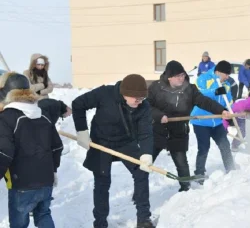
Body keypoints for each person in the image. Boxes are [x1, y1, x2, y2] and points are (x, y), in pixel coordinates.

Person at [72, 74, 155, 228]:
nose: (139, 101)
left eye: (142, 98)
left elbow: (146, 132)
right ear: (125, 93)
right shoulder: (105, 94)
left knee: (142, 172)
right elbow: (78, 104)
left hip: (125, 142)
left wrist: (146, 153)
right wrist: (82, 131)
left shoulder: (144, 106)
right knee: (102, 182)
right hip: (101, 142)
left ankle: (143, 218)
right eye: (136, 98)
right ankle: (100, 222)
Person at [148, 60, 231, 192]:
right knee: (146, 163)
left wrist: (221, 110)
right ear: (169, 77)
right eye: (178, 76)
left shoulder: (189, 89)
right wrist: (159, 116)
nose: (182, 78)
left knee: (182, 165)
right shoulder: (155, 88)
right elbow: (147, 106)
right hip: (158, 131)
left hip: (178, 131)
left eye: (183, 75)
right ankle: (139, 192)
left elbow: (204, 101)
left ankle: (185, 189)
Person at [0, 72, 63, 228]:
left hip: (21, 184)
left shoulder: (6, 118)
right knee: (43, 215)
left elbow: (4, 152)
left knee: (19, 223)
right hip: (46, 181)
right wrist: (53, 170)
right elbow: (58, 146)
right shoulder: (43, 115)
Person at [190, 60, 236, 183]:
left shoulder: (226, 84)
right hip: (201, 121)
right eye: (226, 74)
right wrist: (215, 91)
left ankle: (231, 170)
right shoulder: (203, 78)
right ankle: (199, 174)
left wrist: (229, 112)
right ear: (218, 72)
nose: (227, 77)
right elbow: (198, 94)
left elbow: (228, 101)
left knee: (224, 145)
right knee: (204, 147)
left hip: (217, 122)